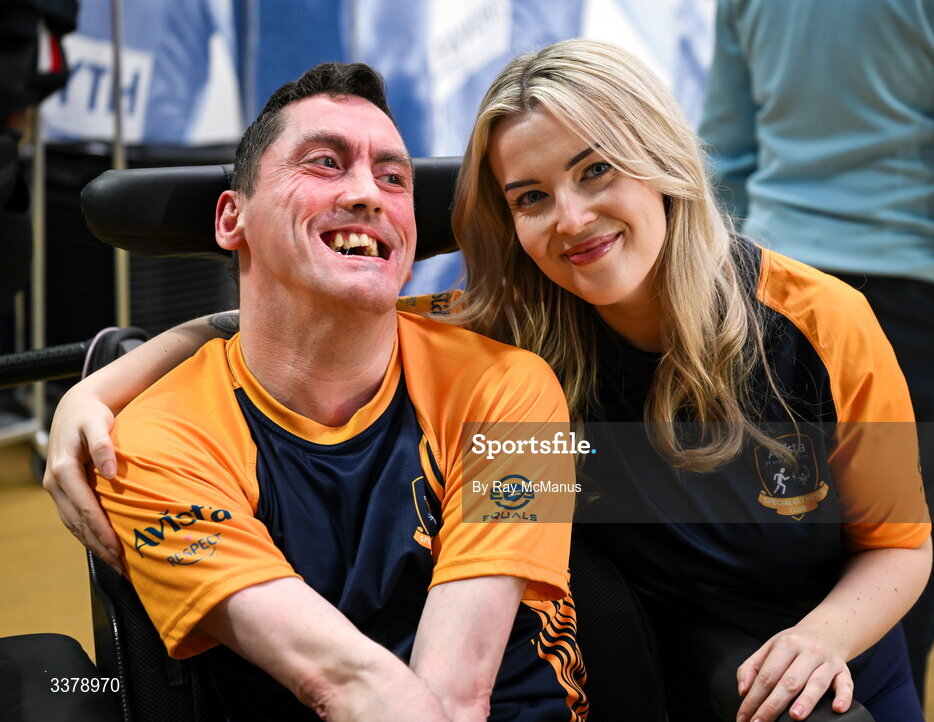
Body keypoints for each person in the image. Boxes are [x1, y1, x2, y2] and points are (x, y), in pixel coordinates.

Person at [45, 41, 930, 722]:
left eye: (597, 170)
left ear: (661, 161)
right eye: (531, 196)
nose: (572, 219)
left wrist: (821, 639)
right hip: (643, 645)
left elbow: (901, 544)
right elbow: (301, 312)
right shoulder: (520, 326)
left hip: (818, 651)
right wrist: (101, 386)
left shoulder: (818, 323)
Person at [45, 61, 586, 722]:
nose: (368, 195)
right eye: (325, 163)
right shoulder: (149, 444)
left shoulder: (507, 384)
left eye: (393, 178)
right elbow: (349, 686)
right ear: (232, 218)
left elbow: (458, 694)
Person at [698, 0, 934, 700]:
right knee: (895, 595)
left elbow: (724, 150)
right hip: (930, 312)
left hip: (771, 299)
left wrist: (730, 292)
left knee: (771, 591)